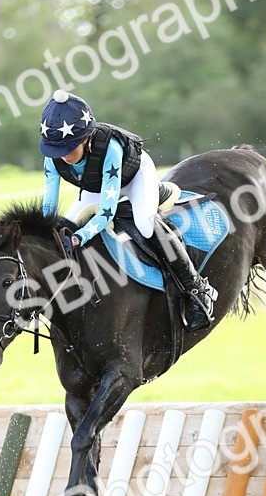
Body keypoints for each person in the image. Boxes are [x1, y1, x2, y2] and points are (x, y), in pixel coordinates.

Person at [39, 89, 216, 331]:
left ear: (86, 138)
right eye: (57, 150)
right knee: (65, 225)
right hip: (97, 183)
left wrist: (80, 236)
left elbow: (106, 213)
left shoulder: (110, 149)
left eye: (69, 148)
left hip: (133, 177)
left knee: (144, 223)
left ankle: (196, 289)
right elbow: (48, 207)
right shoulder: (54, 156)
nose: (64, 156)